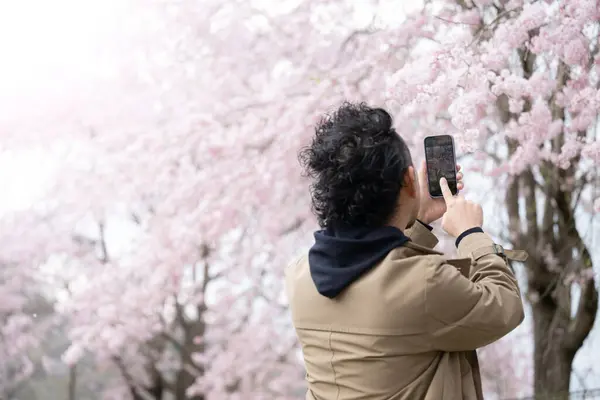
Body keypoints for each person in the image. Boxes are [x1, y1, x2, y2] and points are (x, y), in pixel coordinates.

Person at [286, 102, 528, 400]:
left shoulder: (299, 275)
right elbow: (503, 307)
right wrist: (471, 234)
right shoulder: (425, 282)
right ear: (407, 180)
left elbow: (382, 273)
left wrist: (420, 222)